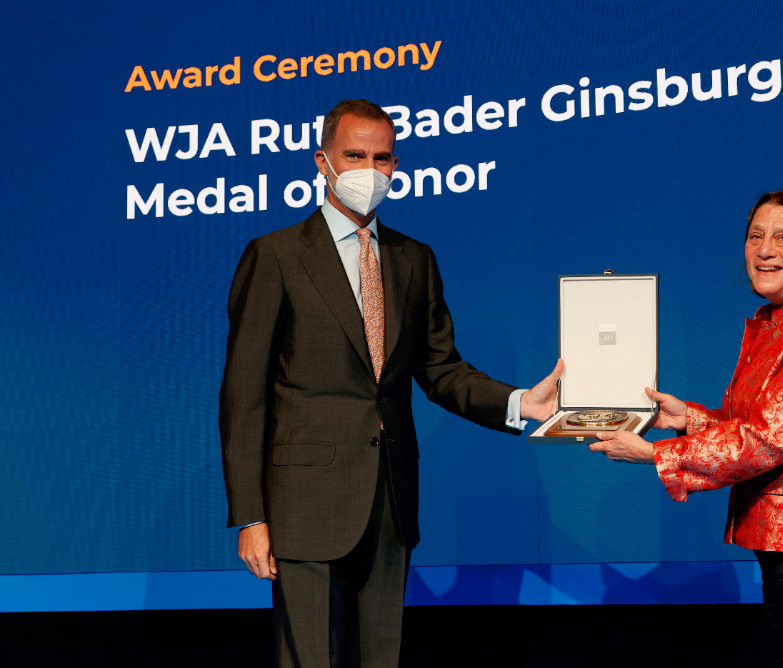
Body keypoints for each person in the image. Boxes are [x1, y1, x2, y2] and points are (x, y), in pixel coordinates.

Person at [219, 99, 561, 668]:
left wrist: (520, 402)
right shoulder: (274, 255)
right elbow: (243, 396)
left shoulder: (413, 258)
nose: (369, 170)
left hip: (391, 503)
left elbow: (441, 369)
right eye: (355, 155)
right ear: (323, 162)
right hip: (303, 505)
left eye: (382, 158)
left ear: (395, 166)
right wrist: (252, 517)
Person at [590, 188, 783, 667]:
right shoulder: (781, 322)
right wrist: (687, 418)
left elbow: (772, 437)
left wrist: (657, 454)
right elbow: (760, 423)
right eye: (755, 236)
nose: (764, 249)